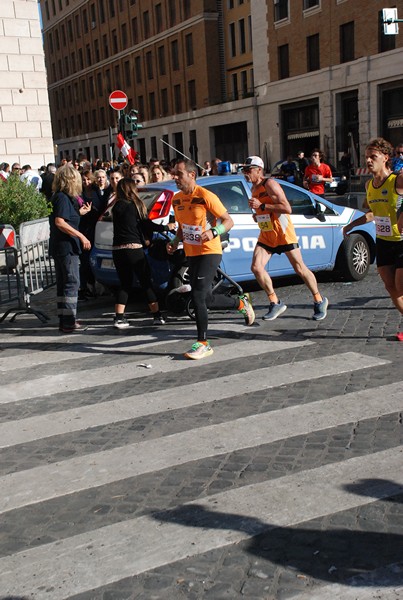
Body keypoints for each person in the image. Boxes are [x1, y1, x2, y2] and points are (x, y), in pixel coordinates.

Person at [166, 159, 255, 360]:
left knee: (197, 295)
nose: (175, 178)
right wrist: (174, 241)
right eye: (174, 174)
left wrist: (214, 231)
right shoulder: (177, 199)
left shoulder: (206, 196)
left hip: (210, 251)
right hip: (192, 252)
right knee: (205, 298)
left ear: (191, 175)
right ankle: (240, 304)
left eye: (179, 174)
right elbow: (182, 227)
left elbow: (228, 221)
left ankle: (203, 343)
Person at [243, 155, 328, 321]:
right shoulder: (254, 189)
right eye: (244, 170)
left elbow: (286, 208)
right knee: (256, 267)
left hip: (283, 233)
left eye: (249, 170)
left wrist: (261, 206)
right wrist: (258, 215)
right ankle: (275, 302)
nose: (246, 174)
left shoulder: (270, 184)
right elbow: (264, 211)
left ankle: (319, 300)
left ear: (259, 170)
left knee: (300, 268)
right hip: (267, 235)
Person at [343, 137, 403, 342]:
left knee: (400, 285)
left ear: (385, 157)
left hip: (402, 240)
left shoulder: (397, 180)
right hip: (384, 241)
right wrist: (352, 224)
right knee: (390, 287)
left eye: (373, 156)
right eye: (367, 157)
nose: (368, 160)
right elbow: (372, 213)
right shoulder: (369, 184)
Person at [111, 178, 175, 329]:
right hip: (133, 248)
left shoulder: (115, 207)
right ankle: (157, 316)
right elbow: (147, 224)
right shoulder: (135, 205)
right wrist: (166, 227)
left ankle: (119, 318)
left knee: (125, 283)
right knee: (145, 282)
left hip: (117, 249)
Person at [49, 164, 92, 333]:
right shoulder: (62, 198)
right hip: (66, 246)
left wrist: (79, 214)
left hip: (62, 246)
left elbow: (65, 218)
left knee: (64, 282)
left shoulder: (61, 197)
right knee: (71, 282)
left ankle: (64, 318)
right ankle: (68, 321)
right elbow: (60, 222)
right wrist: (81, 236)